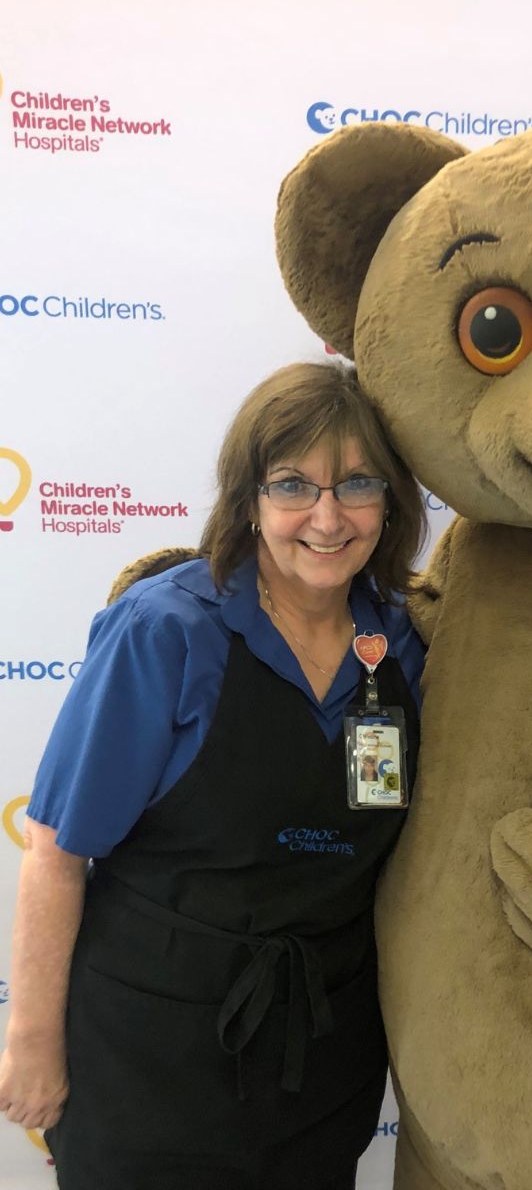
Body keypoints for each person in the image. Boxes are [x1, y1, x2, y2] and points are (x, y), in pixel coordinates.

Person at [0, 362, 426, 1190]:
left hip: (321, 1061)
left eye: (357, 484)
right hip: (149, 1058)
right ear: (248, 501)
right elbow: (56, 849)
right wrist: (31, 1040)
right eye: (294, 484)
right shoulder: (166, 633)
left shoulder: (404, 644)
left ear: (393, 500)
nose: (329, 517)